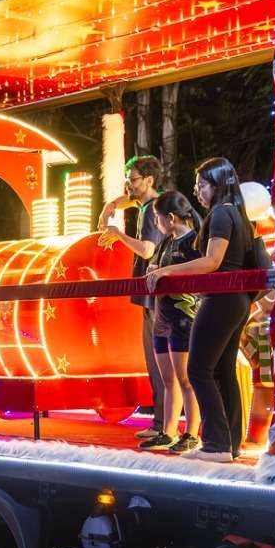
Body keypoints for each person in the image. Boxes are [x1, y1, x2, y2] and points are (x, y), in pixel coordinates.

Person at [146, 158, 264, 463]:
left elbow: (212, 261)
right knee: (223, 371)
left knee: (198, 369)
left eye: (202, 185)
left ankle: (216, 444)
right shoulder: (237, 213)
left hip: (221, 298)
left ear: (218, 184)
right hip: (237, 300)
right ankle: (230, 444)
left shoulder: (222, 213)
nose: (197, 191)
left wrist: (167, 271)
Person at [103, 189, 202, 452]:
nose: (156, 223)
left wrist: (166, 272)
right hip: (162, 315)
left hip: (183, 317)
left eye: (158, 218)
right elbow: (154, 264)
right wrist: (154, 270)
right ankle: (168, 431)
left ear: (171, 218)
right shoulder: (166, 242)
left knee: (185, 379)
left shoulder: (195, 242)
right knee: (167, 379)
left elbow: (197, 272)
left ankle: (192, 433)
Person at [99, 155, 167, 435]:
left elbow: (148, 250)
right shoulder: (152, 204)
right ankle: (163, 423)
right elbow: (128, 199)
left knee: (159, 360)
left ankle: (163, 424)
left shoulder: (151, 210)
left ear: (149, 180)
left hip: (156, 293)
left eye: (133, 180)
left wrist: (118, 234)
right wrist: (111, 205)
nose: (128, 185)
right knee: (160, 360)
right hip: (156, 292)